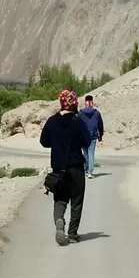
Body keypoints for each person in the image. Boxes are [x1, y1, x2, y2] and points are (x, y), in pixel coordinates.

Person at [39, 89, 91, 246]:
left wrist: (56, 142)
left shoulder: (52, 121)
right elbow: (87, 141)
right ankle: (73, 234)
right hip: (75, 167)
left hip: (58, 169)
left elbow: (44, 141)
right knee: (77, 200)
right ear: (74, 104)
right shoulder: (77, 121)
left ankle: (59, 220)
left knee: (60, 200)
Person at [77, 94, 104, 178]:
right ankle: (90, 172)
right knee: (91, 153)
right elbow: (100, 124)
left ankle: (86, 169)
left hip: (83, 136)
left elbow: (77, 125)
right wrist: (101, 135)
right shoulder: (96, 113)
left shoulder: (80, 113)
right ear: (92, 101)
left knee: (85, 154)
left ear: (85, 102)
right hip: (93, 136)